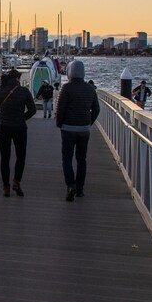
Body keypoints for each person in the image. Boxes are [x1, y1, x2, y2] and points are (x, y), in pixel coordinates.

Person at [56, 60, 100, 201]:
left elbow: (60, 108)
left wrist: (59, 123)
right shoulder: (90, 89)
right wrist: (89, 122)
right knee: (81, 159)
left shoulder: (66, 88)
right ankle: (80, 189)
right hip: (84, 129)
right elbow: (96, 109)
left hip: (68, 128)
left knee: (67, 158)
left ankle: (71, 185)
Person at [0, 68, 37, 197]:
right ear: (17, 79)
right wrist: (23, 118)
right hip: (19, 127)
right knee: (20, 157)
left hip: (3, 126)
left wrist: (0, 116)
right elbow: (33, 110)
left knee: (5, 158)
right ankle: (17, 181)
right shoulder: (24, 91)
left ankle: (6, 187)